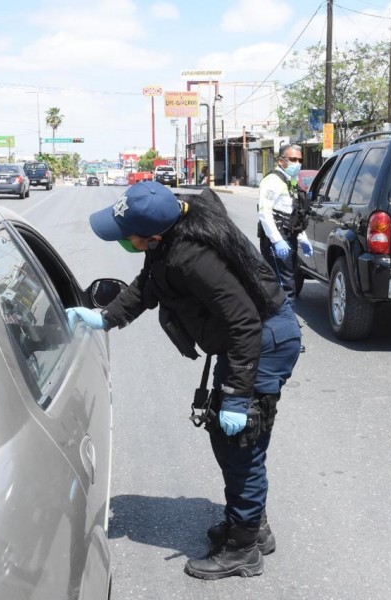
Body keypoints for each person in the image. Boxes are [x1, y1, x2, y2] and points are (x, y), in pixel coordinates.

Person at [66, 181, 302, 580]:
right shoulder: (169, 238)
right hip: (247, 339)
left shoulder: (192, 257)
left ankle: (244, 549)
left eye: (127, 236)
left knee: (240, 445)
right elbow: (148, 283)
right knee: (230, 442)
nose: (122, 240)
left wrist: (237, 396)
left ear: (153, 234)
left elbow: (244, 323)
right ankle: (252, 527)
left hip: (263, 341)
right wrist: (106, 318)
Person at [257, 144, 313, 300]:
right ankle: (285, 322)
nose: (297, 163)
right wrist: (277, 241)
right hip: (277, 238)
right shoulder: (273, 181)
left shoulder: (291, 182)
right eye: (292, 159)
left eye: (299, 160)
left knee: (289, 283)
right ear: (281, 161)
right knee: (283, 285)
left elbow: (294, 215)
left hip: (290, 236)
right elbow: (264, 212)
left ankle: (285, 321)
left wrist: (302, 238)